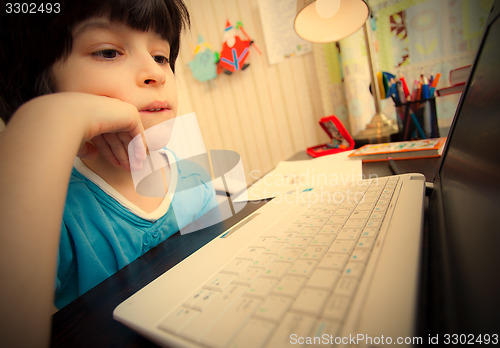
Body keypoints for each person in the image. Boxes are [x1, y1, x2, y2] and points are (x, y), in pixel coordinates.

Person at [0, 1, 217, 346]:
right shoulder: (53, 209)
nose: (156, 72)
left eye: (161, 56)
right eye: (107, 52)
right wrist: (41, 120)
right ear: (40, 85)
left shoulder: (191, 175)